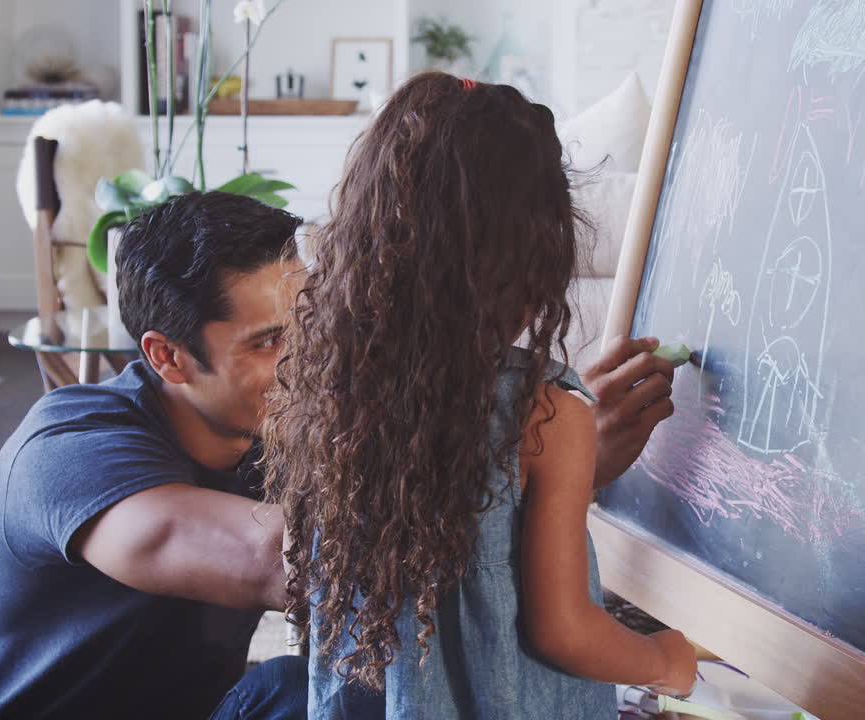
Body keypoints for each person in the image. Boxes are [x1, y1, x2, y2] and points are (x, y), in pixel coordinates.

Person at [0, 187, 676, 718]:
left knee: (297, 690)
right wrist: (540, 462)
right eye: (270, 342)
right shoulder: (70, 447)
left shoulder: (292, 431)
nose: (307, 361)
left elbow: (429, 538)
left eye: (308, 324)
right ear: (166, 357)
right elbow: (280, 554)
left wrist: (552, 455)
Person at [261, 73, 697, 720]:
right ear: (539, 249)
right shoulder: (543, 409)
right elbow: (564, 631)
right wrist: (666, 660)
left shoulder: (341, 391)